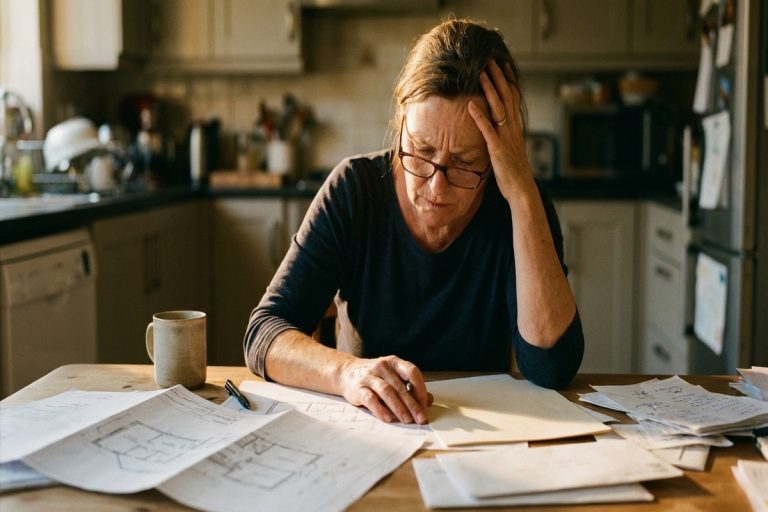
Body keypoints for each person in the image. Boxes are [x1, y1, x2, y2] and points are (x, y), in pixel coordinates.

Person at [244, 19, 584, 426]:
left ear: (495, 158)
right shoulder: (354, 190)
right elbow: (264, 333)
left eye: (464, 164)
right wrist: (346, 372)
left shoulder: (517, 204)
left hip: (485, 433)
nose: (436, 188)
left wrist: (523, 194)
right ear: (401, 122)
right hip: (371, 427)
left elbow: (551, 367)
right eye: (420, 152)